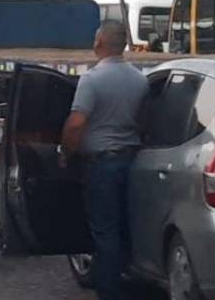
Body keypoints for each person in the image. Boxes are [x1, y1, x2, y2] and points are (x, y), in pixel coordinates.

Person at [60, 20, 148, 300]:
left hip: (102, 165)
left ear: (99, 43)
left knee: (105, 228)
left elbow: (76, 124)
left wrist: (65, 153)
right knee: (126, 224)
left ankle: (110, 291)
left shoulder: (91, 79)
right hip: (133, 161)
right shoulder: (140, 79)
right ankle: (131, 279)